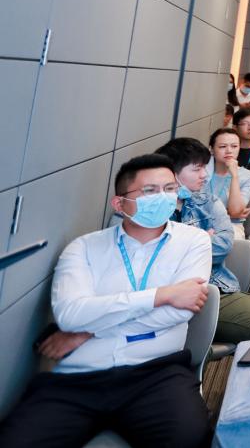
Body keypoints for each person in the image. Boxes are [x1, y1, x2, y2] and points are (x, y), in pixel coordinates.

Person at [0, 156, 212, 448]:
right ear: (120, 203)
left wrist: (89, 331)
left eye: (169, 189)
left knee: (190, 438)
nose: (163, 198)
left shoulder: (193, 241)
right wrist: (160, 295)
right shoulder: (83, 247)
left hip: (155, 372)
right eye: (150, 191)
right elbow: (70, 315)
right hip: (79, 376)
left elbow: (177, 313)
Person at [157, 138, 250, 343]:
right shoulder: (151, 209)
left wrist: (186, 246)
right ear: (172, 173)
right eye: (197, 169)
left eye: (204, 167)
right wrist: (201, 239)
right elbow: (155, 259)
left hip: (214, 287)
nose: (204, 175)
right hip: (164, 294)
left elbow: (224, 246)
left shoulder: (208, 201)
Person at [207, 127, 250, 238]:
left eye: (234, 146)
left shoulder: (248, 176)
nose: (229, 150)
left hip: (231, 225)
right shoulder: (202, 171)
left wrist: (234, 175)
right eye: (222, 146)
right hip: (201, 222)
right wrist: (227, 213)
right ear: (212, 149)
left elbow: (235, 211)